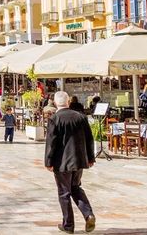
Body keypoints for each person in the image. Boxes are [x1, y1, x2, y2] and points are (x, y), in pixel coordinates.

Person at [44, 91, 96, 234]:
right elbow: (89, 139)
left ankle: (68, 225)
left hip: (62, 162)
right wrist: (90, 158)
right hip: (79, 160)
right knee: (75, 187)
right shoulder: (80, 117)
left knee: (64, 193)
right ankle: (88, 214)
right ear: (68, 102)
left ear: (55, 103)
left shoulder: (55, 119)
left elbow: (51, 142)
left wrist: (48, 161)